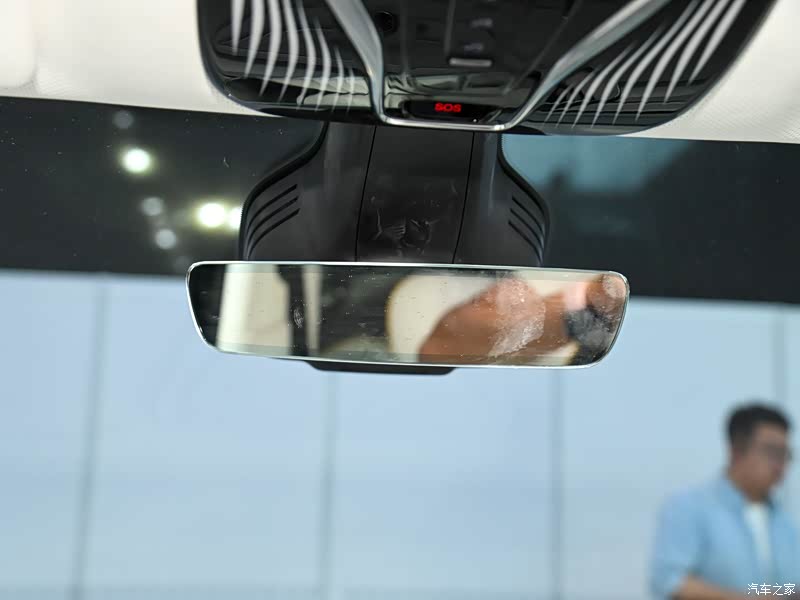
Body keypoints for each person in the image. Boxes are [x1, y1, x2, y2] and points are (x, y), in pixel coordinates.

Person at [650, 404, 799, 599]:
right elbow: (671, 582)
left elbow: (777, 590)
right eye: (772, 452)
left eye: (785, 454)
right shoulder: (688, 508)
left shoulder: (786, 523)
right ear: (736, 450)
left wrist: (781, 594)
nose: (780, 464)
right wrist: (746, 599)